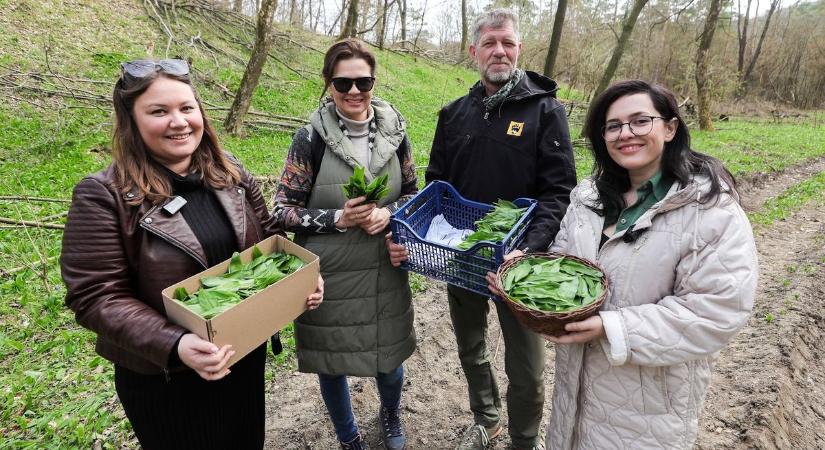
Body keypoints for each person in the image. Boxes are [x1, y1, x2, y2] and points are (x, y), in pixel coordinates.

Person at [60, 59, 323, 450]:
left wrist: (300, 277)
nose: (179, 122)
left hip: (240, 354)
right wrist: (176, 344)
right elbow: (95, 295)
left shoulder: (230, 173)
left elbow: (269, 237)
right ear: (131, 119)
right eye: (159, 111)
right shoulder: (105, 196)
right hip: (167, 376)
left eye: (187, 108)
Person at [516, 79, 757, 449]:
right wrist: (529, 271)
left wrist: (611, 328)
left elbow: (716, 311)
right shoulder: (588, 198)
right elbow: (564, 259)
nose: (625, 133)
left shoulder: (709, 210)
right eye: (613, 126)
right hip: (574, 394)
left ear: (670, 127)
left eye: (640, 121)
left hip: (647, 410)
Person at [389, 8, 577, 450]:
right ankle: (487, 419)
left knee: (527, 369)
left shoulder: (545, 111)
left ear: (519, 49)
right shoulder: (455, 114)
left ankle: (525, 440)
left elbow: (559, 191)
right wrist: (411, 232)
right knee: (471, 347)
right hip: (462, 256)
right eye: (490, 43)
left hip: (519, 264)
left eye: (507, 43)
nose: (499, 51)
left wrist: (528, 250)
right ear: (474, 51)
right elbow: (436, 182)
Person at [271, 39, 417, 450]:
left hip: (384, 266)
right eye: (343, 82)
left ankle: (389, 414)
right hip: (327, 274)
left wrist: (390, 215)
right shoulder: (309, 138)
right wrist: (338, 218)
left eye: (363, 81)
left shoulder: (396, 132)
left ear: (373, 81)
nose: (354, 91)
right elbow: (281, 210)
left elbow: (412, 193)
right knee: (331, 362)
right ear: (328, 84)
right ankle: (348, 436)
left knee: (389, 358)